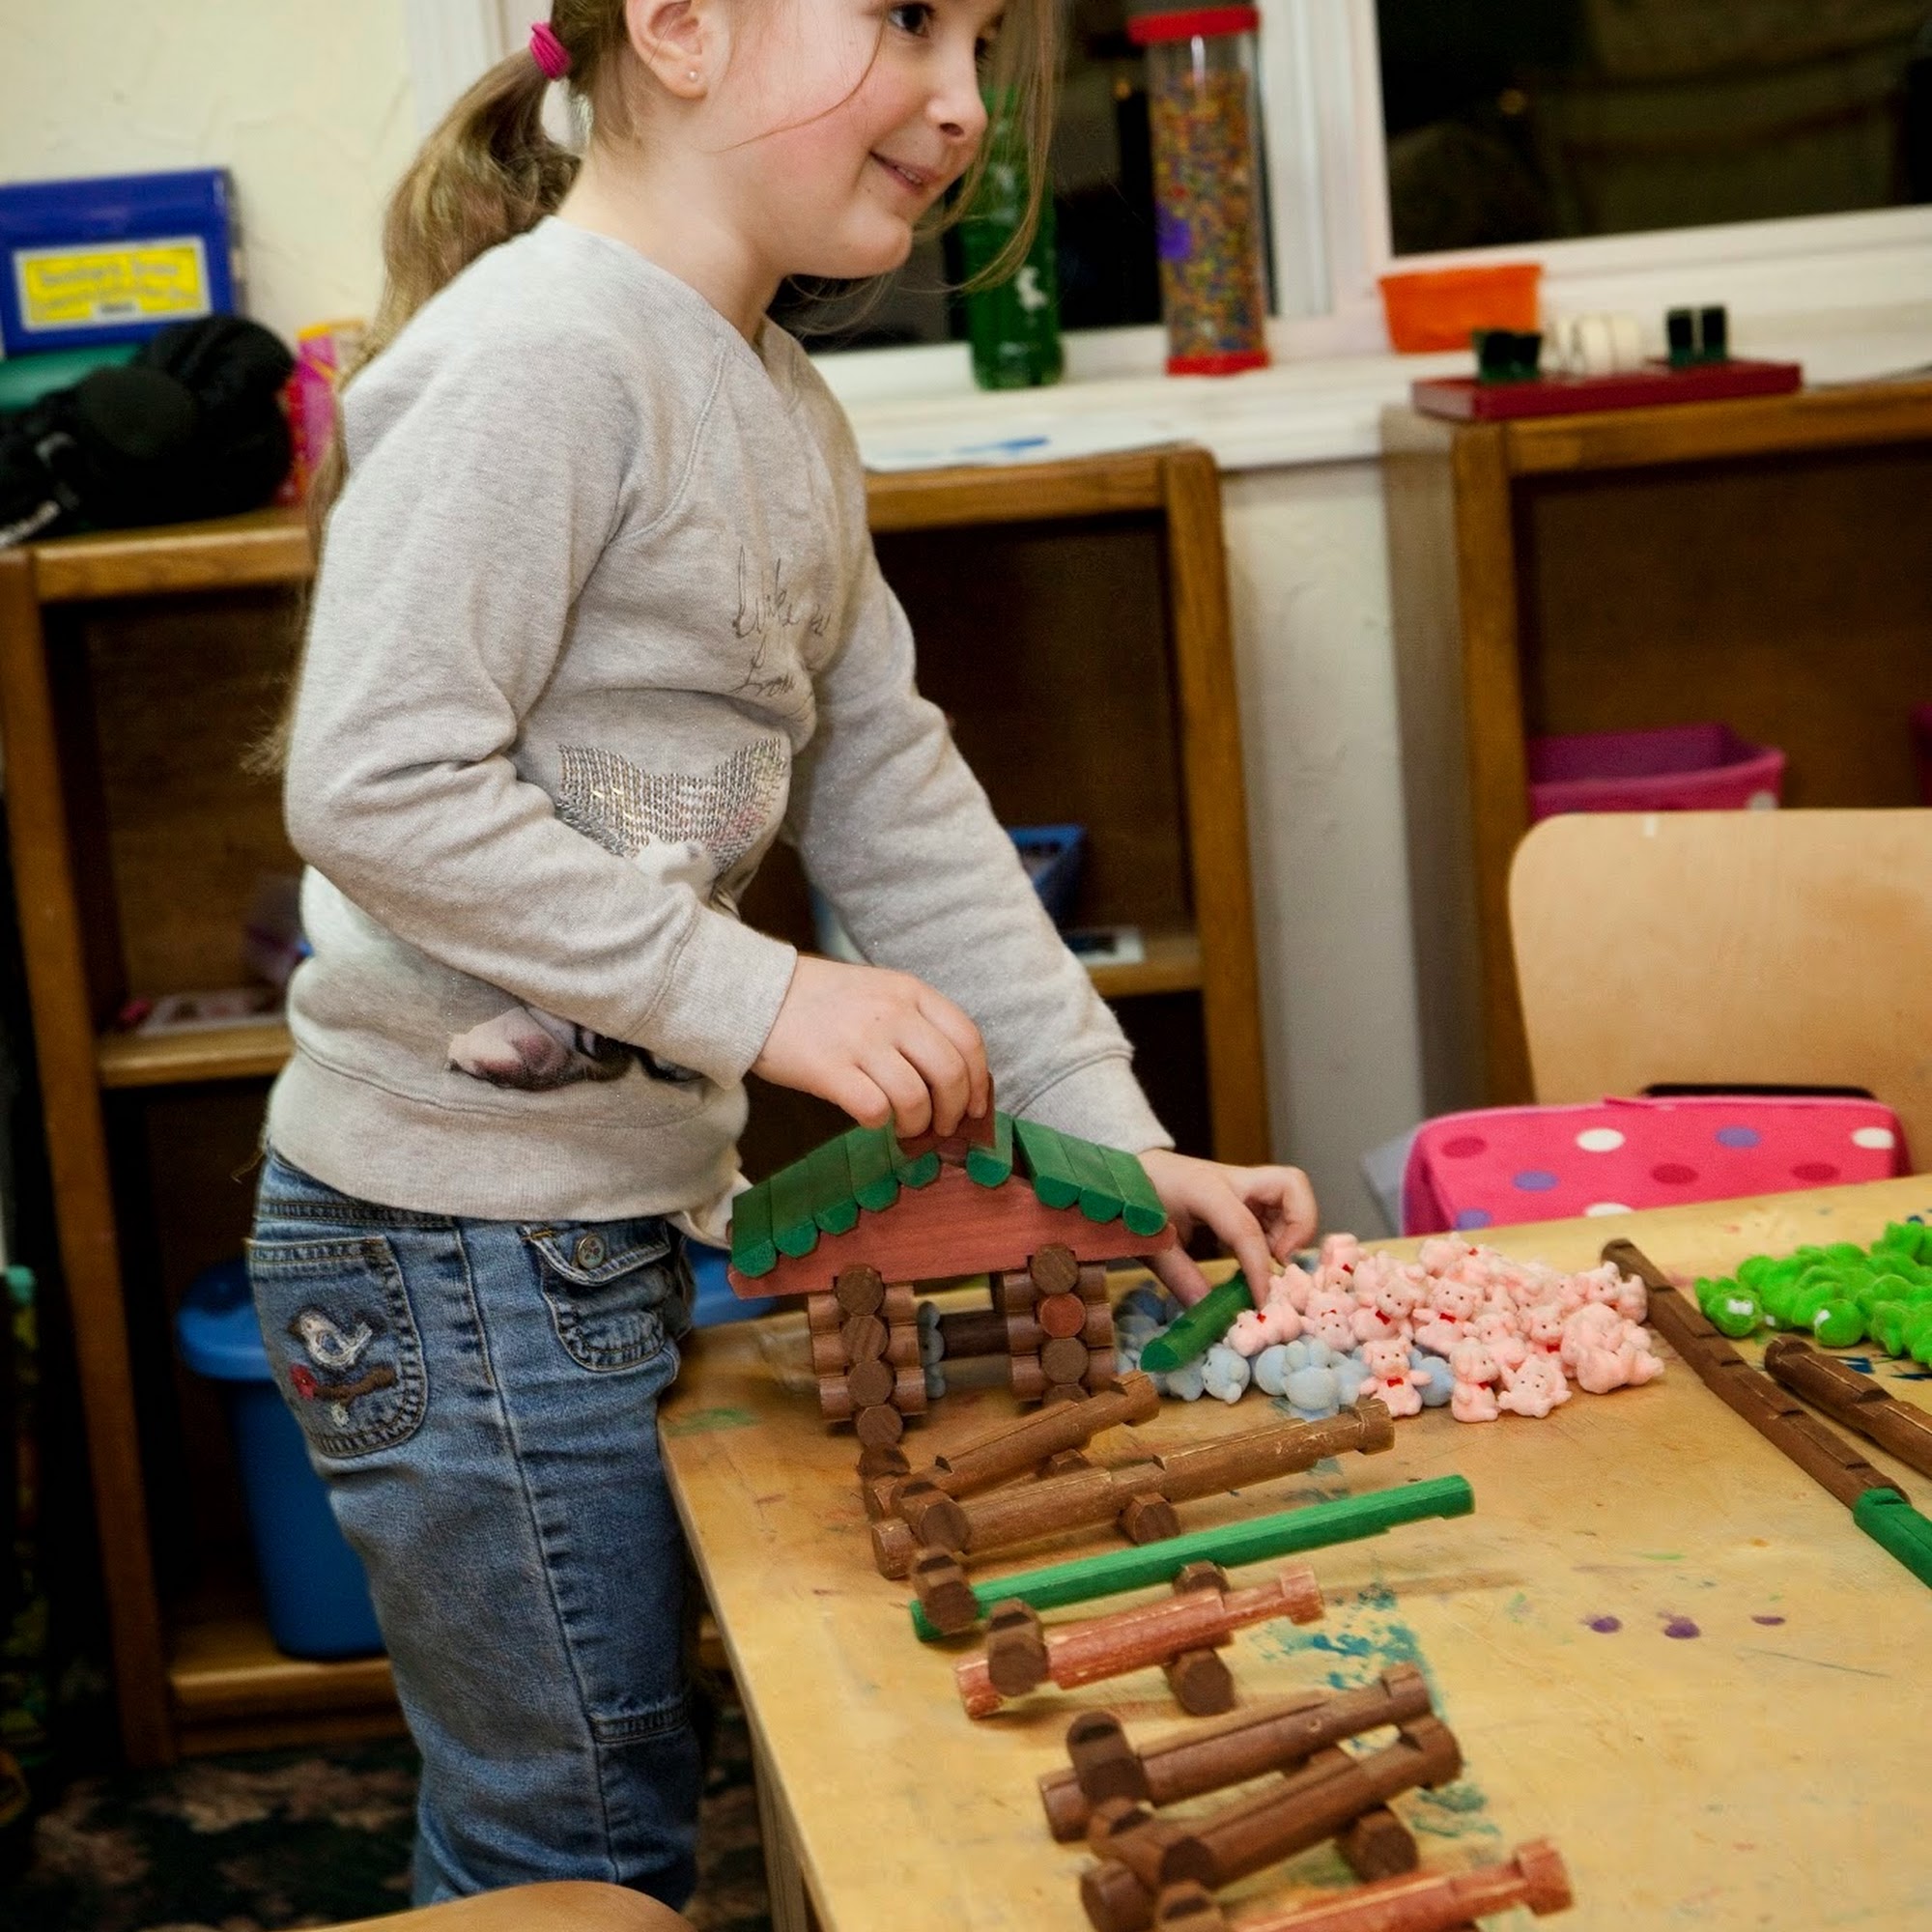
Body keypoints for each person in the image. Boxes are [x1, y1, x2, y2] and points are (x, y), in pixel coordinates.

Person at [247, 0, 1317, 1910]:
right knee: (560, 1838)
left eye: (984, 41)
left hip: (595, 1222)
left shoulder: (776, 401)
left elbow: (893, 797)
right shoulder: (540, 357)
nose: (965, 102)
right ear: (674, 25)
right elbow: (373, 783)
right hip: (446, 1244)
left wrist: (1104, 1136)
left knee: (630, 1780)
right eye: (906, 22)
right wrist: (768, 996)